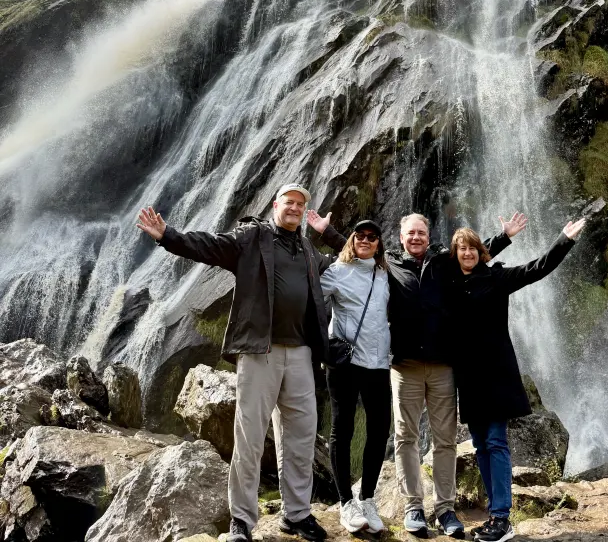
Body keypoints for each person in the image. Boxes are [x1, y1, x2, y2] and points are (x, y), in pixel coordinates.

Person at [308, 208, 527, 540]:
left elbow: (474, 258)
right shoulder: (388, 265)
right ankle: (413, 507)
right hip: (404, 365)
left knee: (445, 441)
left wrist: (505, 237)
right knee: (405, 437)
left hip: (443, 366)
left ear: (429, 235)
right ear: (400, 237)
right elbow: (361, 246)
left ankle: (445, 509)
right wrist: (328, 233)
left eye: (421, 233)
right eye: (410, 233)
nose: (415, 238)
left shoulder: (443, 263)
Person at [137, 184, 340, 542]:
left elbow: (351, 261)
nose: (294, 208)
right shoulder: (252, 238)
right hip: (260, 352)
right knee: (249, 438)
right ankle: (242, 520)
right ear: (276, 205)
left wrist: (330, 233)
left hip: (302, 355)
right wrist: (167, 236)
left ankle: (296, 514)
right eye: (288, 202)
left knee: (301, 438)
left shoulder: (309, 249)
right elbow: (209, 246)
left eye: (300, 205)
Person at [444, 219, 586, 542]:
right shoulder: (450, 282)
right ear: (455, 254)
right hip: (468, 379)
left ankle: (502, 518)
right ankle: (495, 514)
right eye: (461, 248)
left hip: (495, 375)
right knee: (480, 445)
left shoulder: (496, 278)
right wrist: (504, 236)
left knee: (495, 441)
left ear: (482, 253)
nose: (467, 253)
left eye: (472, 248)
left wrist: (564, 239)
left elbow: (537, 268)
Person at [319, 219, 390, 535]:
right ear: (352, 239)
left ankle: (368, 498)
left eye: (371, 236)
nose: (365, 240)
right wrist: (323, 344)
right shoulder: (336, 271)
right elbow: (311, 303)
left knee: (378, 431)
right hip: (345, 364)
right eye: (359, 235)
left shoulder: (386, 274)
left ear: (378, 243)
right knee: (342, 429)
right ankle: (346, 502)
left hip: (378, 365)